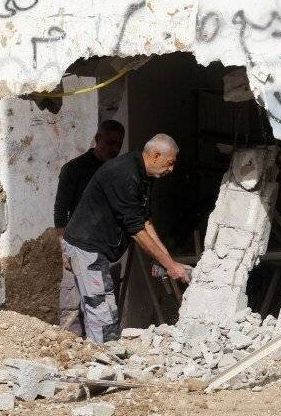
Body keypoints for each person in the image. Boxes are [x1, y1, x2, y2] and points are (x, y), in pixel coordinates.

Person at [61, 134, 191, 344]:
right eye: (170, 163)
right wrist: (170, 266)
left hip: (97, 248)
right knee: (100, 311)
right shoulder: (123, 174)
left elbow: (145, 220)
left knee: (103, 307)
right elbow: (136, 229)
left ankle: (97, 354)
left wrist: (169, 261)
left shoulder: (144, 175)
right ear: (156, 155)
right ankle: (99, 364)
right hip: (86, 247)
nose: (172, 169)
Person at [54, 120, 125, 335]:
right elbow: (60, 212)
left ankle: (97, 352)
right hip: (76, 245)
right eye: (109, 142)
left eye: (118, 144)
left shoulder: (117, 171)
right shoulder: (75, 169)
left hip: (103, 250)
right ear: (97, 139)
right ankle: (70, 349)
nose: (114, 148)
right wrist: (64, 248)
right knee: (71, 306)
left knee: (101, 306)